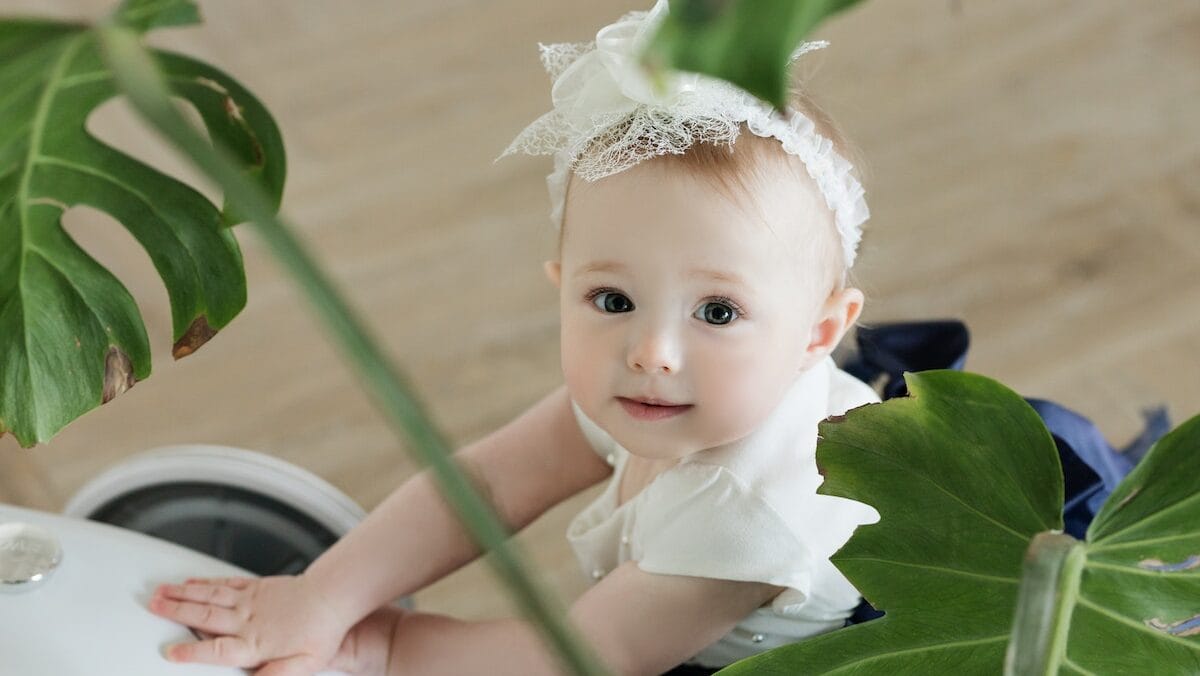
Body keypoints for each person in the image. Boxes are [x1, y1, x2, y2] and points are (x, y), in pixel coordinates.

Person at [148, 2, 882, 674]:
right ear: (561, 283)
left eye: (718, 312)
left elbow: (588, 655)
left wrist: (393, 648)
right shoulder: (660, 386)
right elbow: (487, 485)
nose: (651, 349)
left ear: (817, 334)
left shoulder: (753, 512)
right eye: (613, 298)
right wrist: (325, 596)